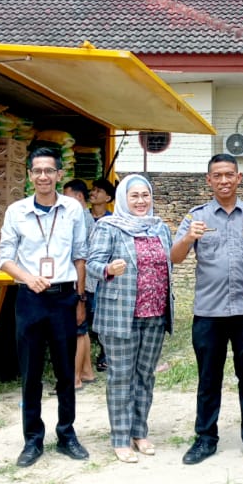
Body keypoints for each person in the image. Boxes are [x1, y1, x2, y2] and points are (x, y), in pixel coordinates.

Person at [0, 148, 91, 468]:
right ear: (29, 175)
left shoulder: (73, 210)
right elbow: (5, 258)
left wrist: (80, 299)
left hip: (64, 297)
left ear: (58, 174)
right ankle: (32, 440)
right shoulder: (17, 212)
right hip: (30, 298)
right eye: (36, 171)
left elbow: (81, 256)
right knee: (31, 373)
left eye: (48, 171)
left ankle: (67, 434)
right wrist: (28, 278)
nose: (42, 177)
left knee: (66, 372)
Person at [171, 153, 243, 466]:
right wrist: (188, 237)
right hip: (209, 313)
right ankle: (205, 438)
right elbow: (175, 257)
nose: (224, 181)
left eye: (229, 175)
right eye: (217, 176)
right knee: (208, 379)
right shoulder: (196, 217)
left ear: (239, 178)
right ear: (208, 180)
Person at [88, 174, 174, 464]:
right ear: (124, 198)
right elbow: (92, 264)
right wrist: (109, 268)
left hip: (155, 313)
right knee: (120, 376)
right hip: (120, 314)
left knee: (145, 376)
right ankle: (120, 437)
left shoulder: (159, 228)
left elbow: (169, 263)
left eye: (145, 195)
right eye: (134, 196)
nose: (140, 201)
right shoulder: (108, 226)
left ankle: (140, 432)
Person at [63, 178, 97, 389]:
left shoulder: (80, 219)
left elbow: (80, 257)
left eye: (66, 196)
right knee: (81, 330)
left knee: (77, 329)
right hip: (87, 281)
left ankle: (74, 378)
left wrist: (80, 292)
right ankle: (86, 371)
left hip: (82, 281)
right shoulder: (86, 217)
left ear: (78, 196)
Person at [89, 178, 116, 372]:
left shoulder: (112, 222)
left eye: (98, 191)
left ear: (108, 197)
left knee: (103, 315)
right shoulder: (82, 217)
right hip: (84, 275)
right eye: (93, 190)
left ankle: (105, 353)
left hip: (104, 277)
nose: (93, 193)